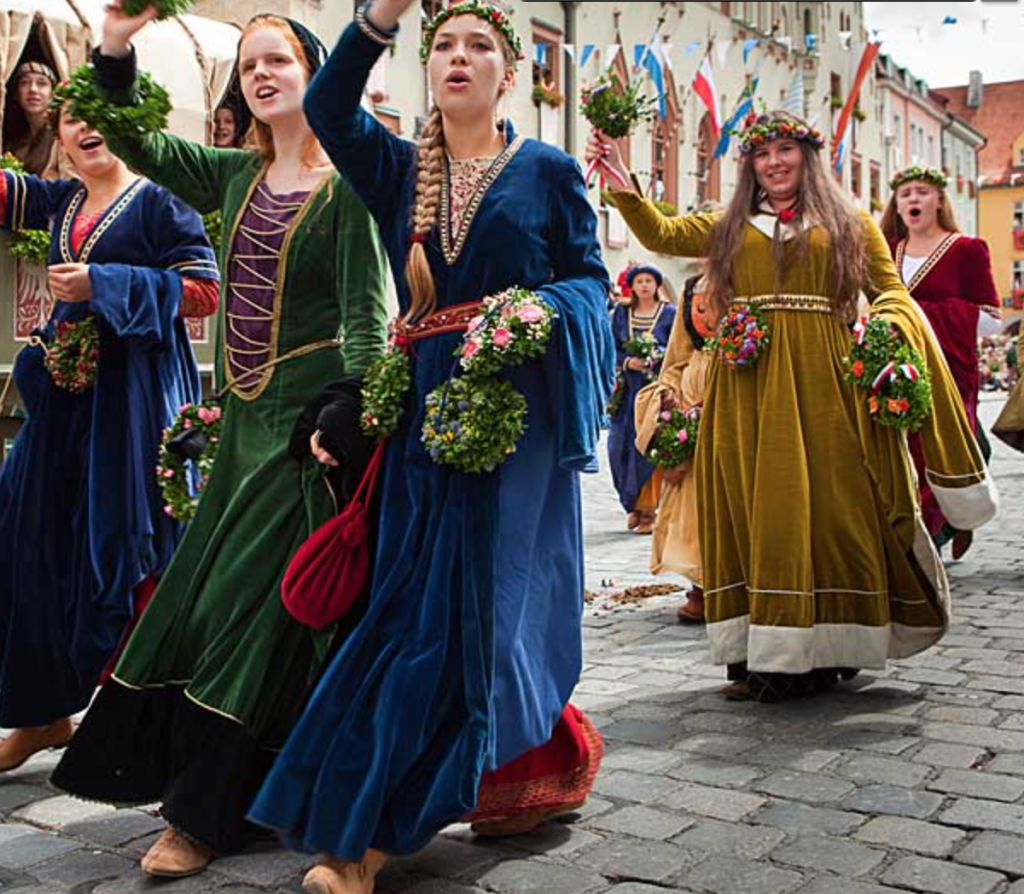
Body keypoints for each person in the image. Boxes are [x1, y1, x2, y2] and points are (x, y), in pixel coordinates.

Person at [246, 1, 614, 890]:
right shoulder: (400, 169)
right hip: (423, 418)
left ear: (507, 72)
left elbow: (591, 287)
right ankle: (372, 819)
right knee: (414, 610)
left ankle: (376, 839)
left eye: (478, 46)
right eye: (442, 46)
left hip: (513, 422)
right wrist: (378, 18)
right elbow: (330, 109)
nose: (458, 57)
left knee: (486, 610)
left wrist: (533, 313)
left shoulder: (549, 171)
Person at [51, 3, 390, 878]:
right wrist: (117, 45)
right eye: (248, 66)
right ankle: (261, 794)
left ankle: (198, 819)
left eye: (278, 59)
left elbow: (366, 315)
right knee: (210, 607)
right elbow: (133, 135)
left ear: (315, 72)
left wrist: (348, 409)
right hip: (239, 427)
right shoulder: (233, 178)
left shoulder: (348, 187)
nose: (262, 75)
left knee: (248, 605)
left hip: (302, 435)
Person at [590, 111, 997, 703]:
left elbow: (889, 293)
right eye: (762, 153)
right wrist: (624, 184)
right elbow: (662, 235)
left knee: (836, 508)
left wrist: (884, 330)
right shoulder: (731, 224)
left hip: (827, 384)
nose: (774, 162)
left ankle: (836, 648)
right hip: (747, 388)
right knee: (757, 510)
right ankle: (765, 656)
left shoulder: (850, 220)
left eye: (786, 149)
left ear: (808, 157)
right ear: (749, 165)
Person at [0, 99, 218, 769]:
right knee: (26, 533)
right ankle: (43, 715)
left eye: (98, 117)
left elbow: (203, 291)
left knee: (129, 544)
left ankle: (156, 721)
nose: (84, 128)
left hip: (135, 401)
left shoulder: (161, 202)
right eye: (68, 119)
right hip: (66, 401)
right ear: (58, 139)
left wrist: (106, 283)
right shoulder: (63, 200)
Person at [880, 166, 1000, 560]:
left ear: (939, 201)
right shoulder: (885, 249)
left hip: (949, 370)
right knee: (901, 456)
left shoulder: (966, 249)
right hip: (894, 370)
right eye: (906, 194)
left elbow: (989, 320)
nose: (914, 200)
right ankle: (929, 527)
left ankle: (934, 534)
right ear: (896, 205)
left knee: (942, 452)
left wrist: (917, 315)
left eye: (923, 192)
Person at [634, 272, 717, 624]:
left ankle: (730, 585)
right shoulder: (691, 286)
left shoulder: (751, 278)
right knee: (690, 508)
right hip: (693, 401)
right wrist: (669, 398)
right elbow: (678, 356)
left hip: (733, 395)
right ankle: (699, 586)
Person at [607, 263, 674, 534]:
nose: (644, 285)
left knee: (648, 445)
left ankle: (648, 510)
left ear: (657, 285)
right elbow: (609, 348)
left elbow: (678, 348)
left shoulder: (670, 314)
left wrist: (655, 359)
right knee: (618, 448)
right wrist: (627, 362)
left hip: (654, 390)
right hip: (626, 392)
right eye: (639, 281)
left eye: (649, 280)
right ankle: (631, 505)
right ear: (632, 286)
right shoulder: (621, 314)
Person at [5, 61, 60, 177]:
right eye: (24, 83)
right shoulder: (15, 142)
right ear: (16, 94)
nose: (33, 89)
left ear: (53, 93)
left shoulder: (59, 137)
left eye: (41, 83)